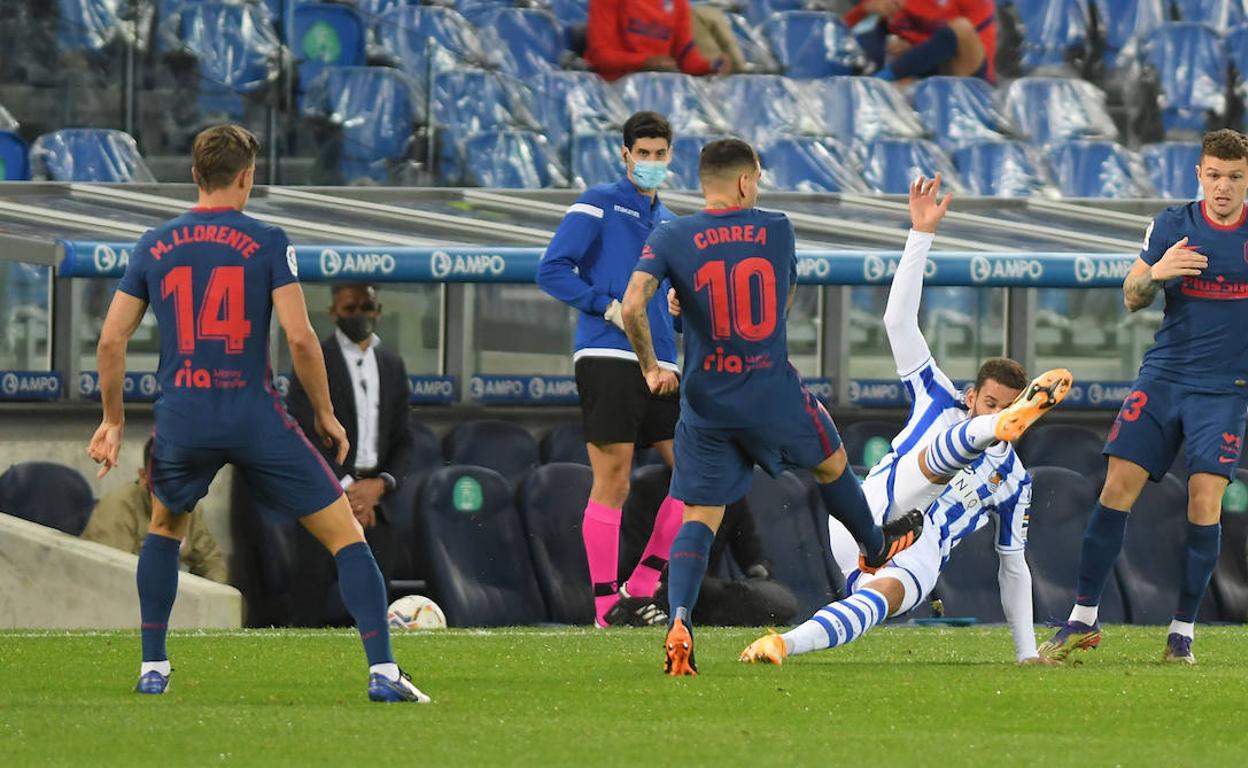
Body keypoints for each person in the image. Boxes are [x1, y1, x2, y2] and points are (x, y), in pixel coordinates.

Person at [87, 124, 429, 703]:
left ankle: (153, 667)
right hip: (254, 415)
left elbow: (110, 342)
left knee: (166, 531)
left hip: (185, 417)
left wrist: (113, 419)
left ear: (194, 176)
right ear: (247, 177)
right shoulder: (269, 240)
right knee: (346, 536)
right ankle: (384, 673)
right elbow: (300, 339)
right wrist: (324, 411)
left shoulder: (153, 243)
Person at [621, 137, 927, 677]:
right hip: (769, 388)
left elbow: (631, 306)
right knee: (831, 462)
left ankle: (680, 620)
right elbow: (778, 301)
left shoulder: (670, 234)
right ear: (744, 182)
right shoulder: (776, 228)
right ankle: (875, 545)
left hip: (706, 399)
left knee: (700, 515)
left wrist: (651, 366)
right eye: (756, 179)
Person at [739, 175, 1072, 668]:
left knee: (872, 606)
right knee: (929, 470)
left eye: (1007, 408)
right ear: (971, 395)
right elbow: (898, 321)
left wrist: (1026, 654)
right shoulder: (937, 396)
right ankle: (979, 438)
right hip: (867, 511)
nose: (995, 407)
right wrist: (920, 235)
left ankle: (781, 644)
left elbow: (1013, 567)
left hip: (918, 551)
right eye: (991, 404)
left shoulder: (1016, 483)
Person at [1039, 129, 1248, 666]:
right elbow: (1131, 298)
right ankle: (1082, 618)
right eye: (1215, 175)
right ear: (1199, 174)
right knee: (1116, 489)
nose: (1223, 187)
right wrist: (1156, 273)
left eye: (1235, 177)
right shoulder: (1172, 226)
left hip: (1224, 390)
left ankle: (1182, 633)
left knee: (1204, 500)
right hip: (1164, 378)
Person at [537, 111, 683, 629]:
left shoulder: (669, 223)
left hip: (663, 362)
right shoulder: (599, 201)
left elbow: (669, 295)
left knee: (695, 475)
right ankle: (605, 606)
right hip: (608, 354)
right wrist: (607, 306)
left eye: (658, 154)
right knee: (615, 478)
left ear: (670, 156)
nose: (649, 162)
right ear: (624, 155)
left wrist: (677, 311)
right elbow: (552, 268)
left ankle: (641, 585)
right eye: (641, 154)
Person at [285, 283, 417, 626]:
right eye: (350, 309)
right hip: (323, 496)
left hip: (378, 506)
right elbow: (301, 432)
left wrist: (379, 487)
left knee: (372, 607)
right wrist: (347, 490)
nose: (359, 315)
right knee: (311, 603)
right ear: (333, 313)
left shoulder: (392, 365)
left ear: (379, 310)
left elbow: (404, 439)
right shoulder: (313, 359)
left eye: (366, 307)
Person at [82, 437, 228, 584]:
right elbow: (110, 575)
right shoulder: (119, 508)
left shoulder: (189, 507)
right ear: (144, 476)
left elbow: (210, 562)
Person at [845, 0, 997, 83]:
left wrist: (914, 47)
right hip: (913, 72)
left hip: (961, 73)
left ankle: (881, 81)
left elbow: (974, 45)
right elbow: (839, 27)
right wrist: (866, 8)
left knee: (961, 27)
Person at [585, 0, 731, 82]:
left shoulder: (678, 3)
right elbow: (600, 56)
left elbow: (687, 60)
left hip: (658, 86)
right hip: (616, 86)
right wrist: (645, 61)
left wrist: (711, 65)